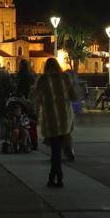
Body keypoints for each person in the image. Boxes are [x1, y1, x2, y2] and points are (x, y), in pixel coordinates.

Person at [31, 59, 77, 187]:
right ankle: (56, 176)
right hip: (64, 119)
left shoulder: (43, 80)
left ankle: (55, 176)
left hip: (51, 119)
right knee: (58, 149)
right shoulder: (65, 78)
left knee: (55, 150)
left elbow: (35, 98)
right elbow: (73, 96)